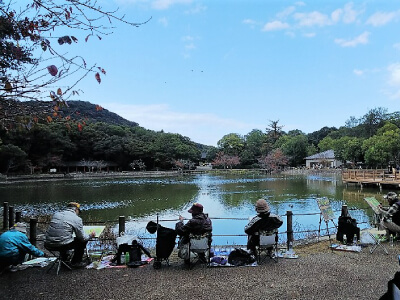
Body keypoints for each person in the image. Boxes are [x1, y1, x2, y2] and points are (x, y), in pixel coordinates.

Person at [45, 202, 95, 268]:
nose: (78, 213)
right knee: (81, 241)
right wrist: (91, 235)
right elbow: (82, 238)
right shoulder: (77, 219)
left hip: (48, 244)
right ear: (76, 209)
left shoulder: (56, 214)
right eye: (78, 211)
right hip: (61, 245)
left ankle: (64, 259)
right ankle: (76, 262)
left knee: (64, 238)